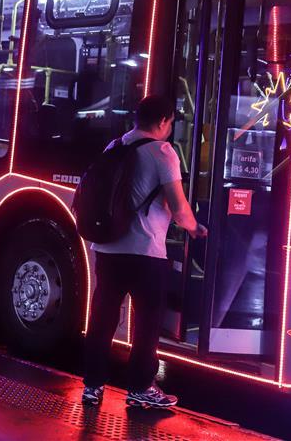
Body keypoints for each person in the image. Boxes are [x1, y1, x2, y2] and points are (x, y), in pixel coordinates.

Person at [81, 95, 206, 409]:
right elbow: (178, 208)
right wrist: (195, 229)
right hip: (145, 252)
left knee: (102, 318)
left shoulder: (114, 147)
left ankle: (93, 386)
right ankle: (140, 387)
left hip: (108, 248)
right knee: (147, 322)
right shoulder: (163, 152)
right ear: (163, 122)